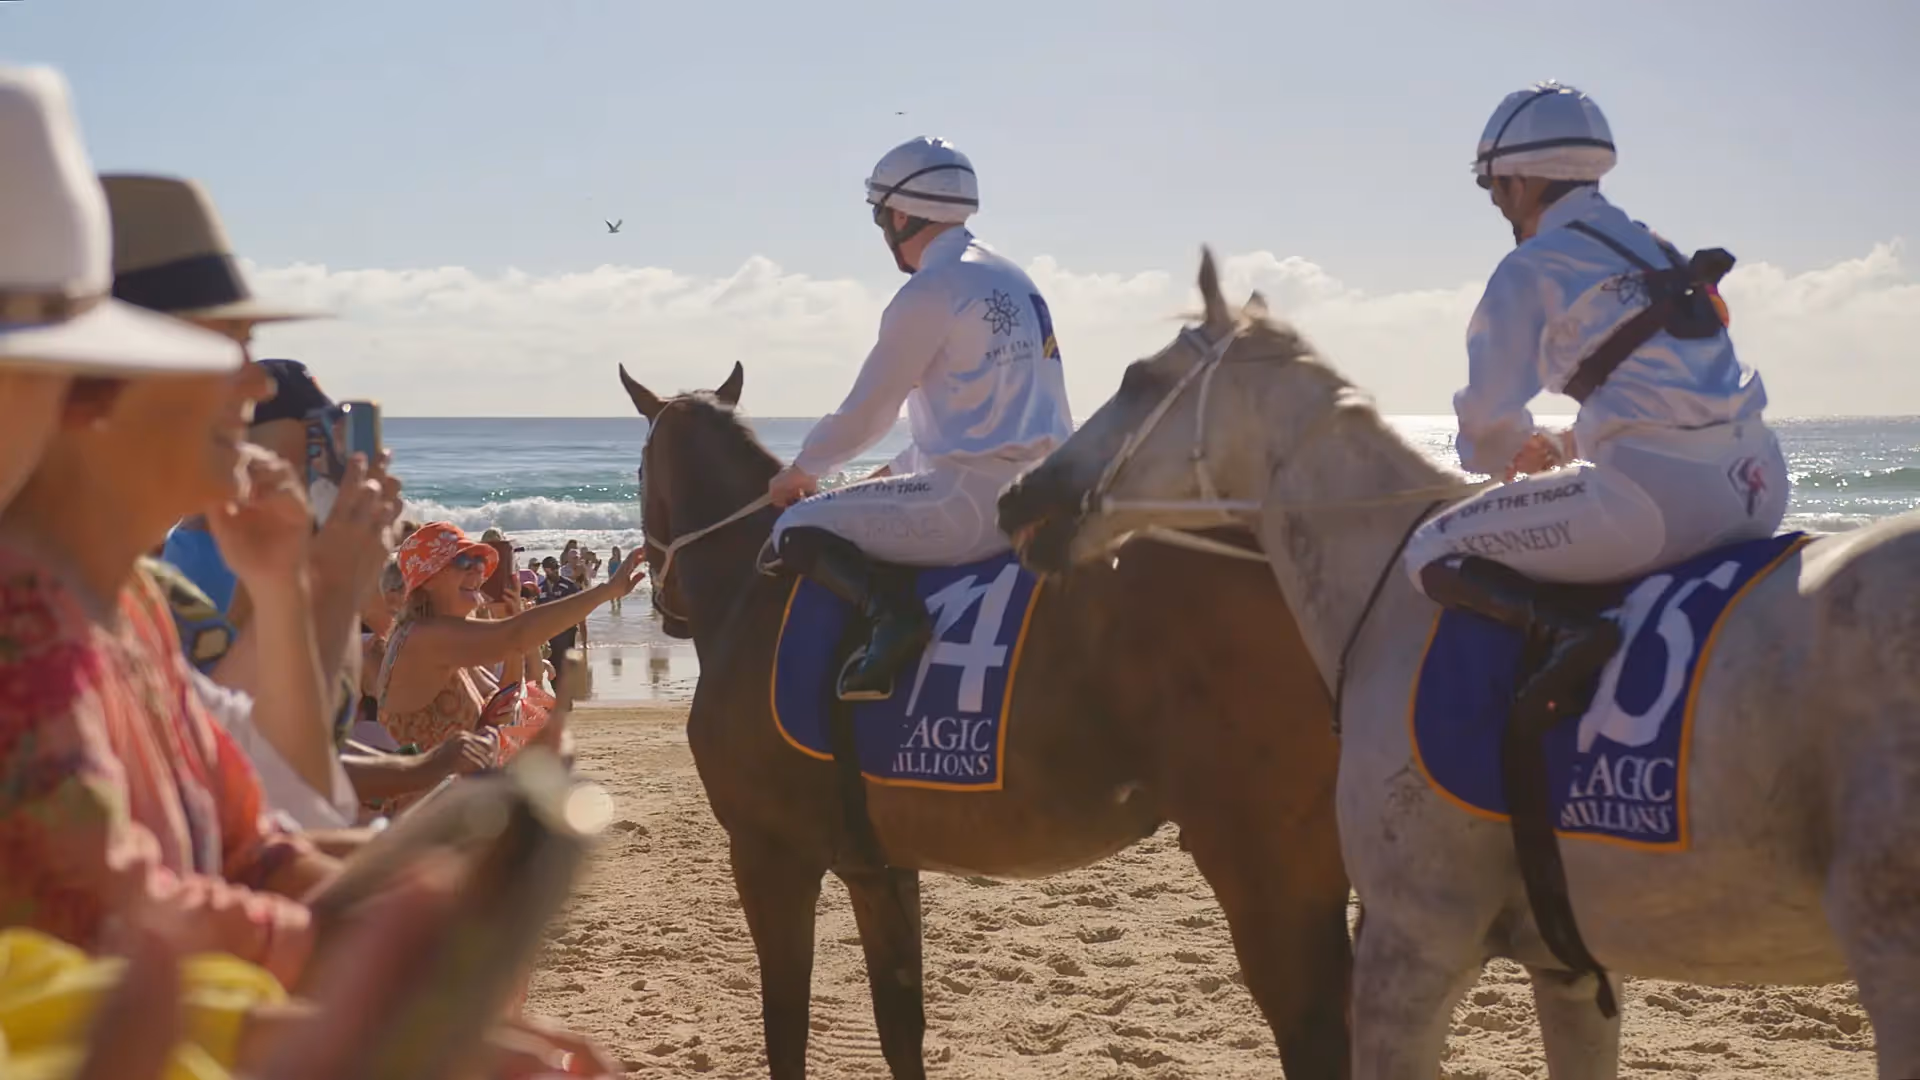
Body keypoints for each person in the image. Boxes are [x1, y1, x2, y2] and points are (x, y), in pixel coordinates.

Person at [0, 65, 333, 983]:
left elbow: (254, 842)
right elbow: (120, 918)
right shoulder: (23, 613)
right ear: (92, 387)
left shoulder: (127, 601)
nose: (261, 387)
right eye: (222, 352)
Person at [1401, 81, 1789, 710]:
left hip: (1663, 509)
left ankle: (1571, 640)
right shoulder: (1657, 247)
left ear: (1519, 183)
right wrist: (1564, 443)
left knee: (1429, 548)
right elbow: (1675, 397)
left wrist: (1496, 459)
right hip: (1762, 486)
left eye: (1491, 187)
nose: (1497, 204)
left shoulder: (1532, 266)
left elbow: (1487, 416)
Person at [760, 136, 1073, 700]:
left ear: (900, 215)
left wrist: (803, 471)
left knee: (793, 529)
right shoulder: (1015, 278)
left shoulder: (930, 289)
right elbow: (966, 426)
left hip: (975, 507)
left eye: (882, 219)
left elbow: (868, 413)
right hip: (1051, 491)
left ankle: (895, 624)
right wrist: (872, 483)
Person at [375, 523, 641, 808]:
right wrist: (606, 591)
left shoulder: (438, 637)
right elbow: (514, 636)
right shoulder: (424, 637)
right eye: (463, 562)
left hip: (451, 808)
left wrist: (513, 622)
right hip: (422, 819)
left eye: (480, 562)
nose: (477, 570)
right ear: (426, 579)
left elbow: (507, 696)